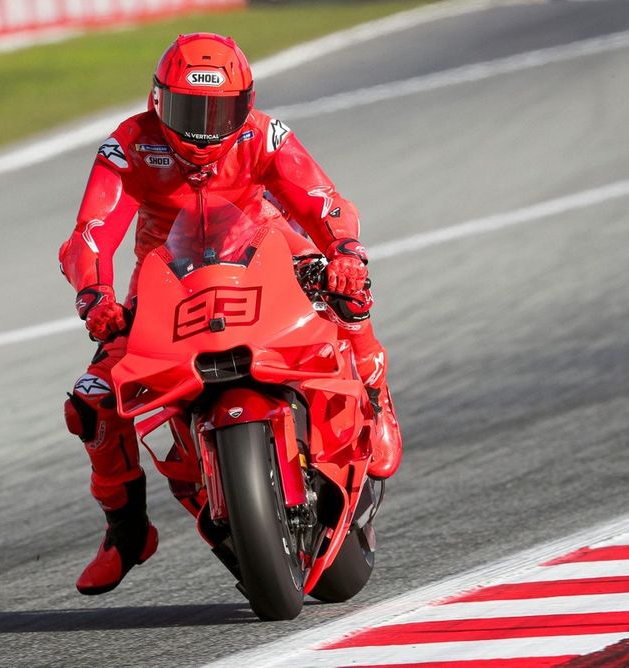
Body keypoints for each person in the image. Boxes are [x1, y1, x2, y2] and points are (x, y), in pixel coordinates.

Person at [59, 33, 402, 595]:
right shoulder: (128, 147)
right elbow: (90, 235)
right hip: (167, 281)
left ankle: (374, 391)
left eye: (218, 111)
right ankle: (126, 531)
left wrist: (341, 248)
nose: (203, 127)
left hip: (265, 253)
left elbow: (322, 200)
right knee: (92, 403)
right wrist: (94, 296)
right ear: (157, 101)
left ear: (244, 105)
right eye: (189, 110)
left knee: (347, 283)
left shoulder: (264, 134)